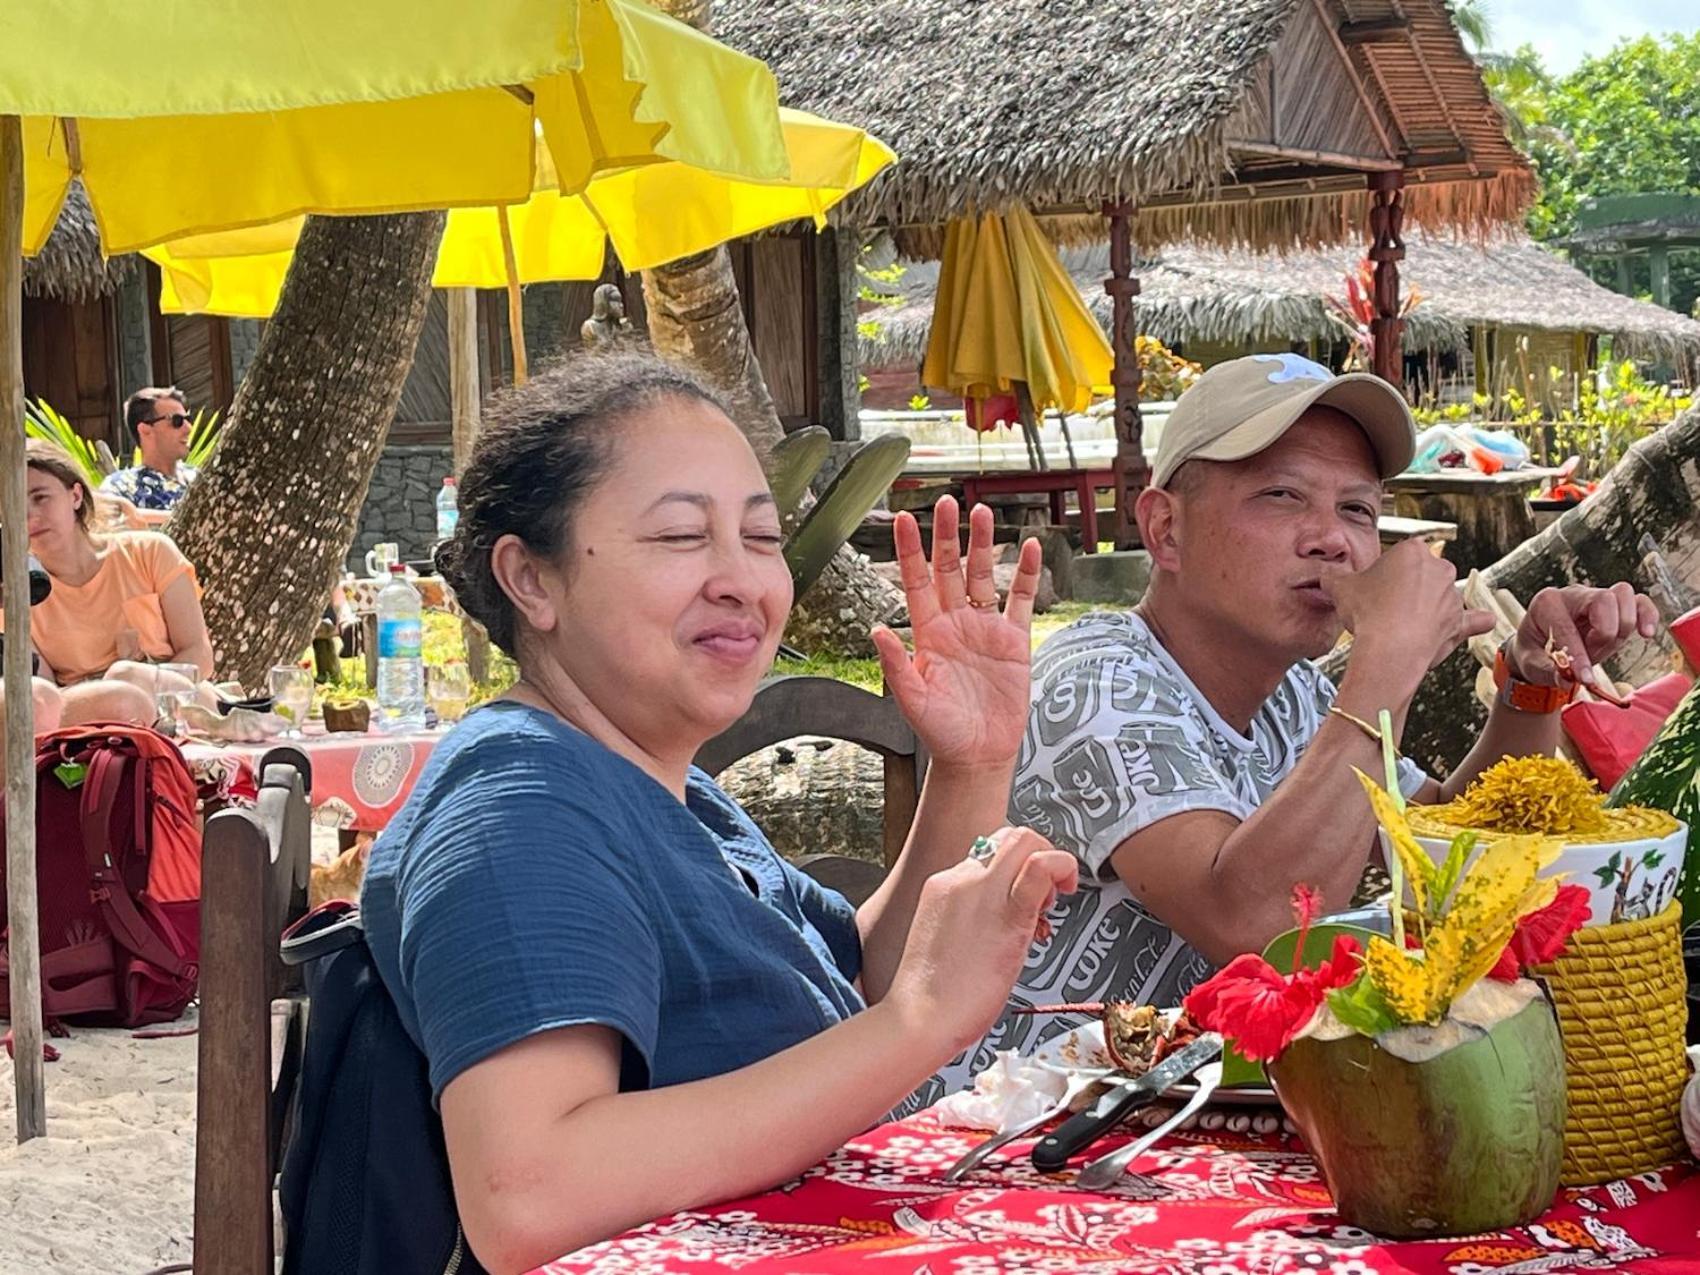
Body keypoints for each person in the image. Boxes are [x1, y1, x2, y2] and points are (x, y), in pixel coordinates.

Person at [360, 348, 1076, 1274]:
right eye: (680, 537)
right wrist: (920, 1020)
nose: (744, 579)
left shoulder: (670, 789)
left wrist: (970, 764)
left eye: (764, 538)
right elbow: (529, 1193)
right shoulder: (518, 807)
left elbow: (850, 991)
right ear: (531, 579)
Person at [924, 352, 1660, 1100]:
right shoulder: (1097, 680)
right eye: (1281, 495)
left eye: (1357, 510)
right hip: (997, 1133)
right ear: (1166, 530)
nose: (1331, 540)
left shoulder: (1297, 694)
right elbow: (1257, 924)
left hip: (1166, 1119)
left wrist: (1529, 686)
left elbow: (1448, 844)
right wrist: (1385, 662)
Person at [0, 441, 217, 762]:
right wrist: (106, 693)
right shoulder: (20, 593)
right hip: (88, 719)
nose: (30, 516)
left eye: (40, 498)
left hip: (173, 703)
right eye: (14, 505)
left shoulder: (150, 552)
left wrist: (129, 679)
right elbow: (46, 697)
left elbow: (200, 655)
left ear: (75, 496)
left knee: (126, 677)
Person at [99, 386, 199, 522]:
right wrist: (185, 518)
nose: (188, 428)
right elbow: (107, 521)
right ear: (145, 430)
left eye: (188, 419)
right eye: (177, 421)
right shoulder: (120, 485)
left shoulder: (201, 477)